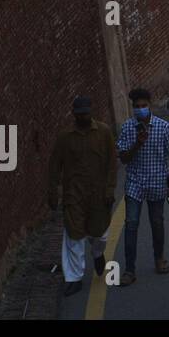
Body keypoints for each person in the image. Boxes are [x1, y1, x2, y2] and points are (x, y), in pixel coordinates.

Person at [47, 96, 117, 296]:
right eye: (79, 114)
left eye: (85, 113)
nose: (83, 116)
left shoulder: (103, 133)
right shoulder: (65, 138)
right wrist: (53, 193)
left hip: (99, 194)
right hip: (74, 195)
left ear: (91, 112)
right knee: (74, 235)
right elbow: (54, 167)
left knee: (99, 233)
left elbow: (112, 164)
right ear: (74, 115)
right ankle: (74, 277)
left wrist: (110, 189)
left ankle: (97, 254)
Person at [116, 88, 169, 285]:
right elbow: (124, 158)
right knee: (131, 224)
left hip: (157, 183)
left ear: (150, 106)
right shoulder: (128, 128)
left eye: (143, 106)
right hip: (135, 184)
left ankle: (159, 259)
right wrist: (137, 143)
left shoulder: (163, 127)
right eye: (136, 107)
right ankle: (129, 270)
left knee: (157, 222)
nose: (140, 110)